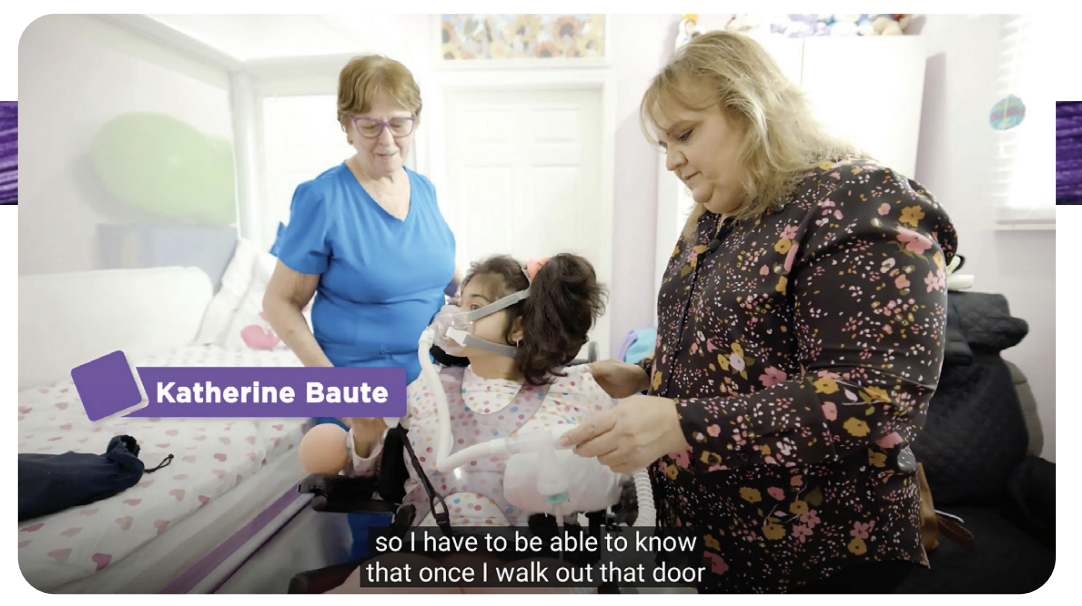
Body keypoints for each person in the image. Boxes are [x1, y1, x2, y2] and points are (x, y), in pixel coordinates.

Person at [560, 30, 959, 593]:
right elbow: (745, 354)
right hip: (715, 540)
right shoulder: (716, 219)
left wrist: (682, 423)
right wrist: (647, 379)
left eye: (686, 134)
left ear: (752, 110)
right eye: (665, 145)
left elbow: (876, 393)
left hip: (816, 549)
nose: (673, 159)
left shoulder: (858, 202)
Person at [263, 54, 460, 560]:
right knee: (378, 546)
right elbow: (281, 303)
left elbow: (436, 275)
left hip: (429, 387)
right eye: (369, 125)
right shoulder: (323, 198)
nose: (387, 139)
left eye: (399, 122)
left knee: (441, 522)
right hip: (356, 391)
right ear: (346, 126)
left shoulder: (425, 189)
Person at [327, 253, 617, 593]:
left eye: (473, 305)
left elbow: (619, 477)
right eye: (457, 303)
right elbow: (371, 471)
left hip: (526, 561)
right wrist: (364, 435)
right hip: (426, 558)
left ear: (519, 326)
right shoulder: (426, 388)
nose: (454, 316)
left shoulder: (574, 388)